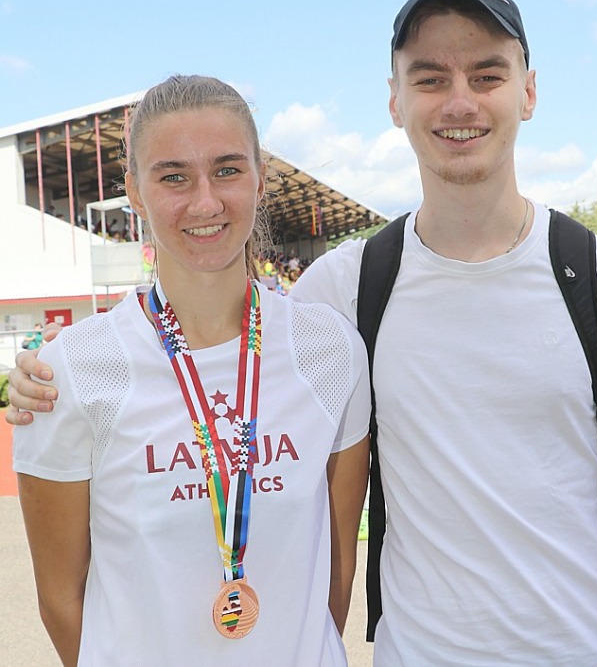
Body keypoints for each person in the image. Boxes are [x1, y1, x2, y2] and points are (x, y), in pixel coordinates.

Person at [7, 0, 597, 665]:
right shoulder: (347, 291)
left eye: (487, 74)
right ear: (396, 100)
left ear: (529, 91)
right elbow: (206, 339)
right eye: (429, 79)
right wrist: (43, 376)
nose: (459, 101)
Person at [11, 75, 370, 666]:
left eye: (227, 169)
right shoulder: (71, 371)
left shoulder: (329, 351)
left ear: (259, 176)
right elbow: (59, 601)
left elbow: (335, 573)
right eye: (173, 175)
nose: (205, 202)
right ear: (132, 189)